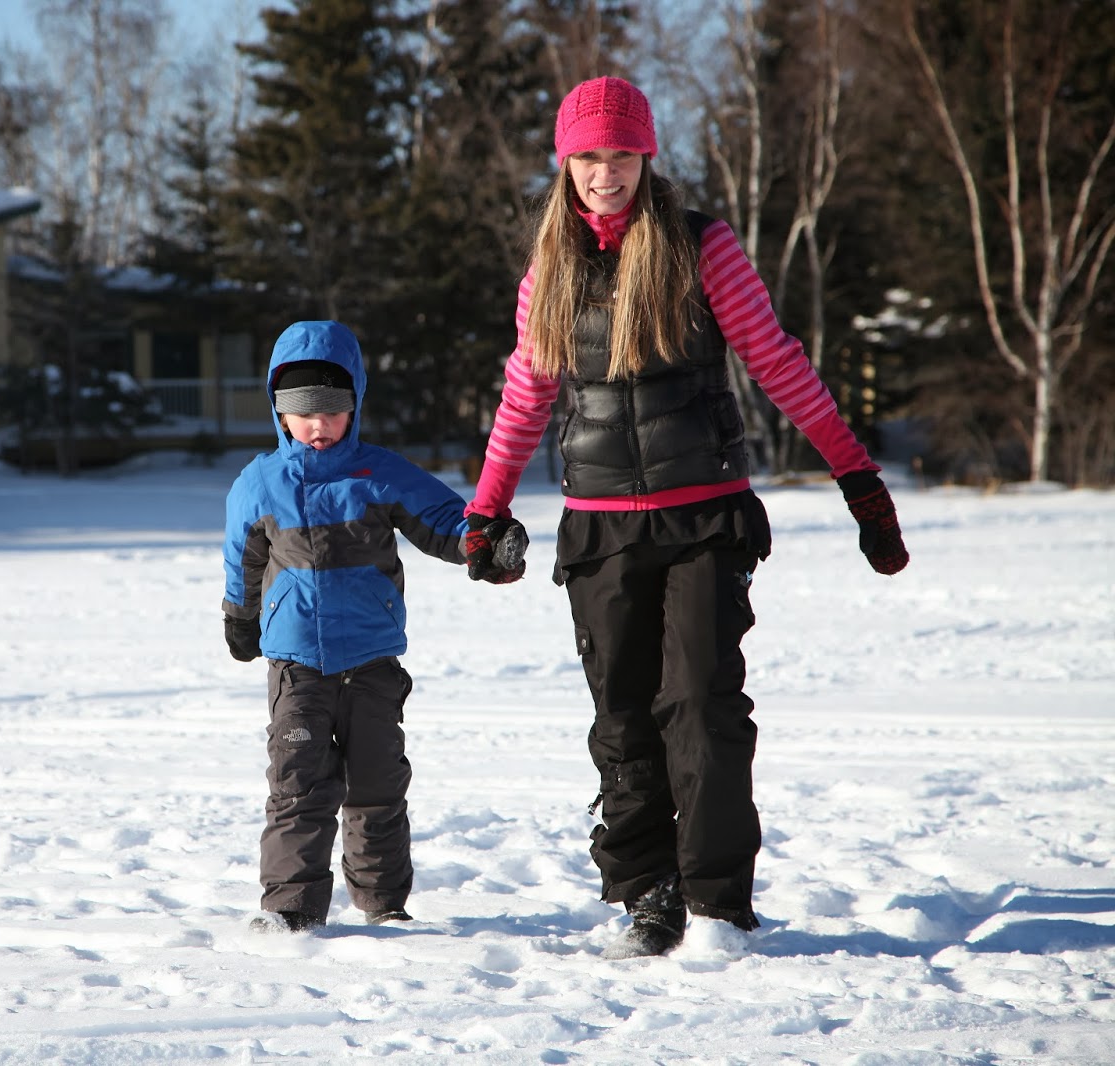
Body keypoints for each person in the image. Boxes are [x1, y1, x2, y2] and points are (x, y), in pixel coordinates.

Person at [463, 76, 910, 958]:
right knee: (623, 718)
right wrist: (486, 508)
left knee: (701, 705)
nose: (606, 173)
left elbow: (778, 363)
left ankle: (716, 903)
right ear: (566, 163)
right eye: (589, 156)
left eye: (622, 155)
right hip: (600, 528)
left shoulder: (702, 248)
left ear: (647, 156)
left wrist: (856, 477)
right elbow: (525, 396)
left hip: (703, 516)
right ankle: (648, 894)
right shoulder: (549, 271)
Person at [222, 320, 524, 933]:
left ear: (355, 403)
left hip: (372, 660)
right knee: (298, 786)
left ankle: (384, 902)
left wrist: (487, 544)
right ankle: (290, 907)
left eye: (332, 411)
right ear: (279, 411)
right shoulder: (259, 482)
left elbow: (447, 521)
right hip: (297, 664)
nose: (318, 425)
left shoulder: (379, 472)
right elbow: (242, 560)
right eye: (303, 413)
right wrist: (241, 616)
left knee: (377, 784)